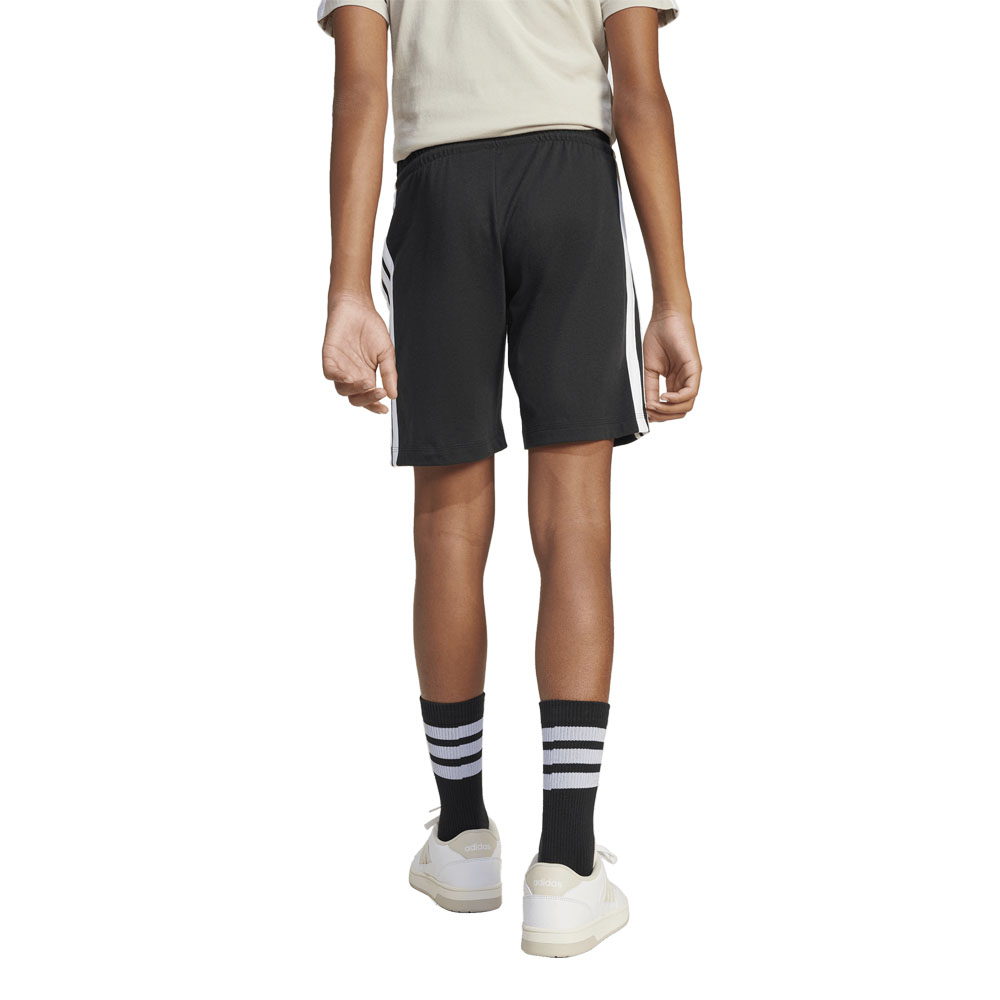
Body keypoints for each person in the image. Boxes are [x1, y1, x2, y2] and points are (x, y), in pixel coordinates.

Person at [317, 0, 701, 958]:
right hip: (571, 182)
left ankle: (461, 838)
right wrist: (673, 297)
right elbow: (640, 91)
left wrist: (348, 290)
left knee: (448, 527)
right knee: (576, 525)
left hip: (439, 190)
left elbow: (361, 87)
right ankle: (565, 866)